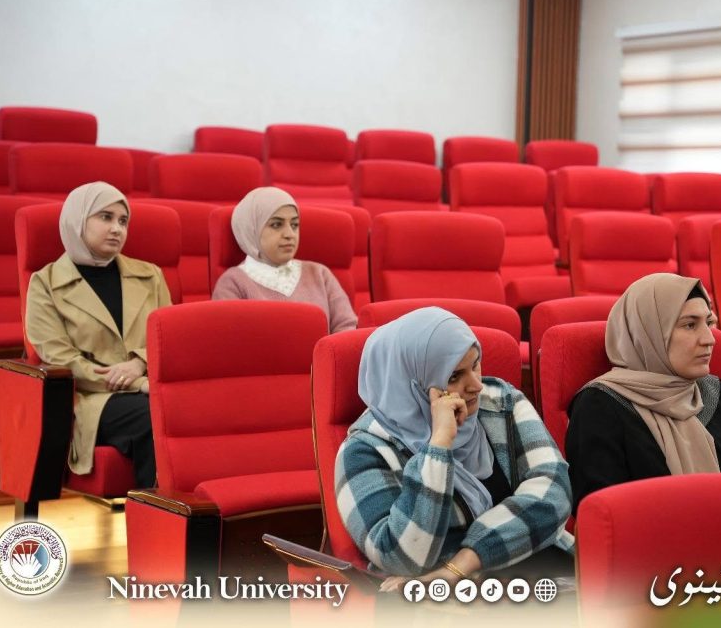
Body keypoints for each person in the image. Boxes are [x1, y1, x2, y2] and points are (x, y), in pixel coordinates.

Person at [335, 307, 573, 587]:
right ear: (415, 385)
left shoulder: (502, 401)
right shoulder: (363, 451)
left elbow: (555, 491)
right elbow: (401, 557)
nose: (476, 385)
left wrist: (463, 563)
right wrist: (439, 445)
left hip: (534, 564)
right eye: (453, 376)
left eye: (475, 365)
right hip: (443, 595)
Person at [566, 274, 721, 512]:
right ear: (649, 333)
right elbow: (600, 513)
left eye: (709, 323)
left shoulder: (716, 392)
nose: (709, 339)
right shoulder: (600, 405)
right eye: (690, 325)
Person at [25, 182, 172, 488]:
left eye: (123, 221)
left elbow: (169, 339)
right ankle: (161, 512)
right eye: (106, 217)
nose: (117, 228)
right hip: (92, 398)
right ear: (78, 220)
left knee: (198, 410)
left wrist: (139, 363)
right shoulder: (45, 282)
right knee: (156, 415)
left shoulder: (151, 275)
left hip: (152, 385)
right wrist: (138, 382)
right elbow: (61, 358)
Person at [212, 186, 356, 333]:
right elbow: (229, 340)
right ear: (251, 229)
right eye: (276, 225)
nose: (289, 234)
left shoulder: (320, 274)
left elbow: (347, 327)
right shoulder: (232, 283)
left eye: (294, 225)